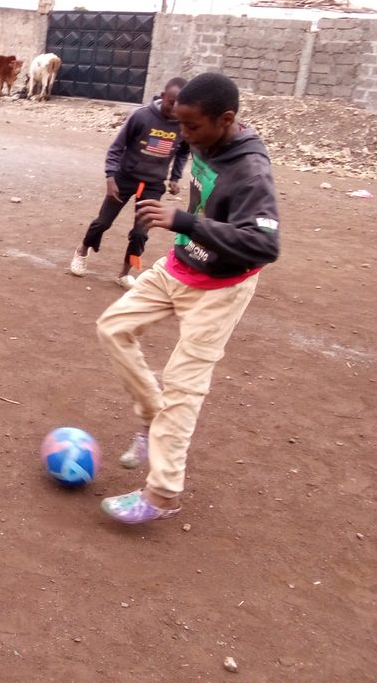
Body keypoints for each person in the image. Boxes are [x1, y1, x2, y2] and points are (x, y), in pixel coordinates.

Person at [96, 72, 280, 525]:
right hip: (179, 266)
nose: (183, 135)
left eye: (192, 126)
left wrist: (184, 221)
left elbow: (264, 244)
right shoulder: (202, 138)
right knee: (113, 328)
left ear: (226, 120)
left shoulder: (251, 172)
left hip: (221, 287)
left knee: (183, 384)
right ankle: (151, 416)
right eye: (180, 123)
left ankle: (162, 494)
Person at [70, 77, 189, 289]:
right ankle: (82, 250)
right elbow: (116, 148)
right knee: (103, 222)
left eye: (180, 105)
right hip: (124, 179)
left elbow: (183, 151)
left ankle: (124, 273)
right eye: (171, 103)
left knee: (140, 233)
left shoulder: (183, 124)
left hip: (153, 185)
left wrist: (175, 177)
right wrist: (110, 177)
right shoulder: (141, 116)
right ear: (163, 96)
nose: (174, 109)